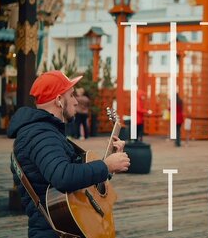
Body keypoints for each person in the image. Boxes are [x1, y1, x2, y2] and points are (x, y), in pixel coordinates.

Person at [8, 70, 130, 238]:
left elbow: (78, 185)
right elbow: (63, 177)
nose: (75, 101)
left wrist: (108, 168)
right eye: (71, 95)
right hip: (53, 232)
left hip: (66, 227)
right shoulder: (41, 134)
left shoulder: (46, 132)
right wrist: (106, 165)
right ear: (59, 100)